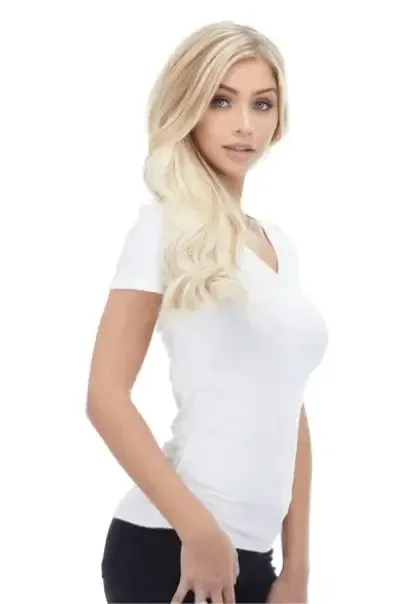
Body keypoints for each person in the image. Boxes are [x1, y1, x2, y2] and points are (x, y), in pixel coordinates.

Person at [86, 19, 329, 604]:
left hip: (256, 557)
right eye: (222, 100)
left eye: (262, 103)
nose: (245, 124)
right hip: (171, 546)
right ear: (189, 106)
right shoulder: (161, 227)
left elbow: (288, 408)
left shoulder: (277, 244)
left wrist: (297, 568)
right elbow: (105, 397)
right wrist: (198, 532)